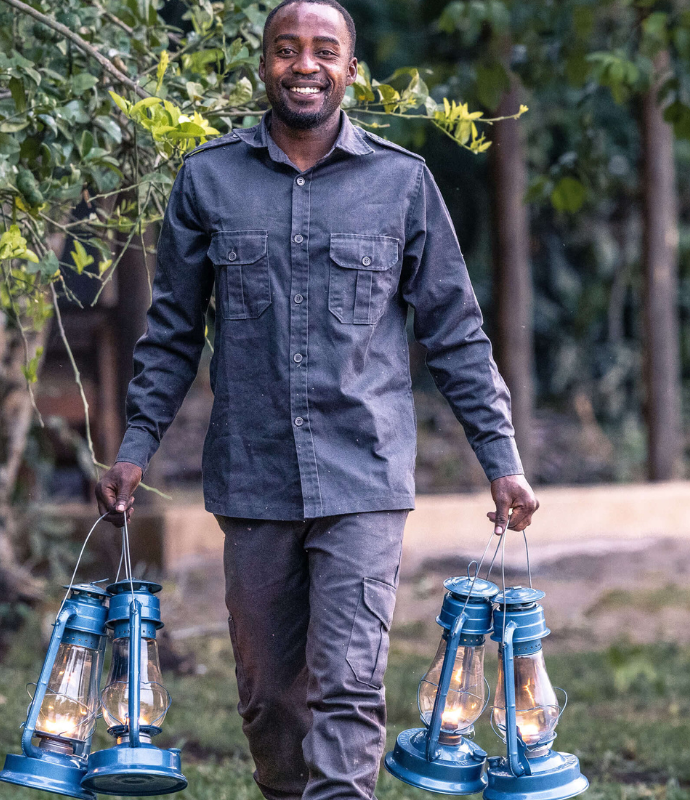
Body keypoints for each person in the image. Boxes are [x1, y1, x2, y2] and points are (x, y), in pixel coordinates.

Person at [96, 0, 539, 797]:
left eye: (323, 50)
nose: (304, 64)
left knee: (347, 686)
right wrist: (135, 447)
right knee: (269, 702)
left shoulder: (401, 183)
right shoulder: (207, 179)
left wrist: (499, 460)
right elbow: (169, 333)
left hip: (363, 477)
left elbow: (456, 334)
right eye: (285, 49)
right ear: (263, 64)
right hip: (254, 475)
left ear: (349, 70)